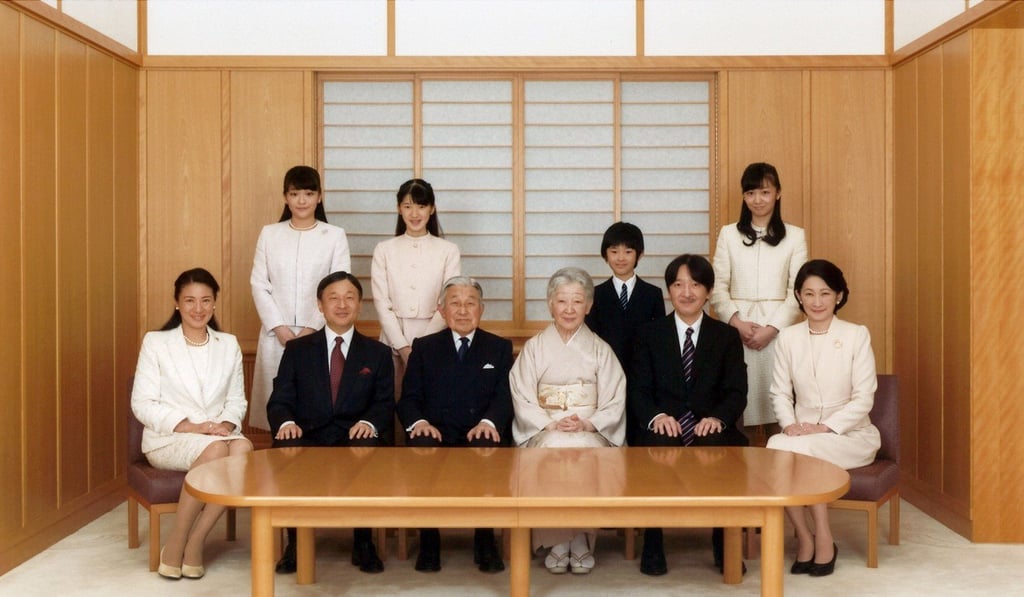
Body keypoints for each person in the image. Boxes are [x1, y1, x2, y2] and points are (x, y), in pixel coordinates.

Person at [266, 271, 394, 575]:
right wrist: (285, 423)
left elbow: (385, 402)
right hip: (309, 432)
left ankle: (363, 541)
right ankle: (295, 542)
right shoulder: (297, 349)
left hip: (354, 432)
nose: (342, 304)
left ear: (360, 305)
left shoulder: (377, 352)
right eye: (333, 298)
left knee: (366, 445)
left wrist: (369, 422)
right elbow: (280, 398)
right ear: (320, 305)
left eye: (350, 297)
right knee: (288, 445)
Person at [629, 254, 748, 576]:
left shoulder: (726, 336)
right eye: (678, 284)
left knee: (720, 442)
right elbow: (638, 390)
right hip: (664, 424)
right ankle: (653, 543)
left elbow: (737, 392)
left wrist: (718, 417)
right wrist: (656, 416)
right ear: (669, 290)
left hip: (710, 424)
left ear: (708, 291)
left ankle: (724, 541)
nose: (687, 292)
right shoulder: (649, 334)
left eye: (695, 284)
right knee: (654, 441)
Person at [130, 268, 253, 580]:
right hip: (169, 438)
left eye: (205, 301)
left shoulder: (229, 344)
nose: (198, 309)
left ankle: (195, 540)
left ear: (214, 304)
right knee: (216, 452)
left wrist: (226, 424)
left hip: (216, 436)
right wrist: (188, 426)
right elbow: (142, 403)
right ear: (177, 304)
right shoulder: (156, 343)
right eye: (190, 301)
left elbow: (237, 400)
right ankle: (176, 542)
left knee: (245, 449)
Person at [766, 259, 880, 578]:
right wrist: (789, 424)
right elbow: (779, 393)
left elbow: (864, 396)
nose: (817, 302)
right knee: (777, 446)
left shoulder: (857, 335)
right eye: (809, 294)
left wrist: (825, 427)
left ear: (839, 296)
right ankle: (806, 537)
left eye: (825, 293)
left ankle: (823, 538)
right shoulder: (788, 338)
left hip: (850, 437)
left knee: (797, 453)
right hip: (800, 435)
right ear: (799, 297)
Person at [510, 267, 626, 575]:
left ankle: (581, 541)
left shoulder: (601, 349)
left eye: (578, 301)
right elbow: (521, 393)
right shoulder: (535, 348)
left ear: (589, 305)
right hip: (546, 428)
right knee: (553, 448)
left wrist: (590, 424)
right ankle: (559, 541)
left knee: (585, 452)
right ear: (550, 304)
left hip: (588, 428)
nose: (569, 309)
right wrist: (547, 424)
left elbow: (614, 397)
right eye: (562, 301)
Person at [396, 276, 514, 574]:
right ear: (442, 310)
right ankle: (429, 540)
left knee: (488, 445)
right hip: (436, 430)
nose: (463, 311)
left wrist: (489, 422)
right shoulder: (424, 347)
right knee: (422, 445)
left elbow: (505, 397)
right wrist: (420, 422)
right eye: (455, 304)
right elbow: (408, 398)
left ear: (481, 309)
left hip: (479, 431)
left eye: (470, 303)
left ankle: (485, 540)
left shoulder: (498, 347)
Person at [249, 165, 351, 431]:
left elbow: (338, 287)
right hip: (276, 334)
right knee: (277, 411)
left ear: (319, 196)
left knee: (314, 406)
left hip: (319, 332)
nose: (302, 200)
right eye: (295, 194)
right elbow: (259, 284)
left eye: (309, 193)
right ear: (285, 197)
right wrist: (281, 330)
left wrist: (309, 330)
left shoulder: (334, 235)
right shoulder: (270, 233)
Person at [710, 162, 806, 438]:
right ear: (744, 197)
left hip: (779, 332)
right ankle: (746, 475)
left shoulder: (795, 236)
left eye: (764, 192)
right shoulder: (729, 234)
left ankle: (781, 474)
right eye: (751, 193)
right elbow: (717, 288)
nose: (757, 199)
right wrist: (737, 323)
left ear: (777, 193)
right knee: (742, 411)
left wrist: (771, 329)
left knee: (781, 409)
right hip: (738, 331)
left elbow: (797, 291)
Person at [371, 178, 461, 404]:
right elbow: (382, 302)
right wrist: (402, 346)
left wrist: (421, 347)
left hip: (435, 335)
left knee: (430, 401)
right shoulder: (384, 250)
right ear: (399, 209)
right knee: (390, 399)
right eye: (408, 206)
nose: (414, 213)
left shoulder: (448, 250)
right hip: (393, 335)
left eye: (421, 206)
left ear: (431, 209)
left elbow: (448, 301)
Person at [585, 222, 665, 443]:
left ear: (640, 254)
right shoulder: (596, 295)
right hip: (606, 377)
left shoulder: (653, 294)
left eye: (628, 251)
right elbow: (592, 340)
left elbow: (659, 341)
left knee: (641, 437)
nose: (621, 258)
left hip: (644, 378)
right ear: (605, 255)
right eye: (614, 251)